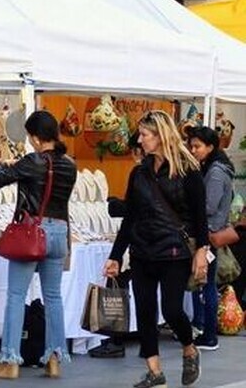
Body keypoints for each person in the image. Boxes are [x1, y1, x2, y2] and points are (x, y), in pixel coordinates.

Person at [104, 110, 208, 388]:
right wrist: (116, 255)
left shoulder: (188, 172)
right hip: (141, 251)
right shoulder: (139, 172)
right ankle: (154, 371)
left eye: (145, 135)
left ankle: (189, 348)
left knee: (172, 310)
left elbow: (200, 217)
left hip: (174, 252)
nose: (140, 140)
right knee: (146, 311)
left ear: (161, 136)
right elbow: (130, 218)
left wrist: (201, 251)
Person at [0, 110, 77, 380]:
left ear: (37, 139)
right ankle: (53, 358)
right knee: (53, 297)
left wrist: (5, 164)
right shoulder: (69, 164)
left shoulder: (32, 161)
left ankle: (10, 359)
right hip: (60, 232)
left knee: (16, 296)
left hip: (32, 233)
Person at [90, 131, 142, 359]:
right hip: (143, 242)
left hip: (140, 241)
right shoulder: (147, 173)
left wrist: (117, 207)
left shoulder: (141, 174)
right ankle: (119, 338)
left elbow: (134, 210)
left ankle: (117, 338)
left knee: (119, 290)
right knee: (125, 289)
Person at [187, 126, 233, 351]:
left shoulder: (215, 172)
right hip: (210, 231)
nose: (193, 150)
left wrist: (188, 208)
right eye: (191, 145)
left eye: (197, 146)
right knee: (203, 283)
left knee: (206, 283)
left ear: (210, 147)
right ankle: (201, 327)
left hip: (211, 233)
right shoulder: (211, 168)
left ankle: (209, 333)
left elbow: (209, 206)